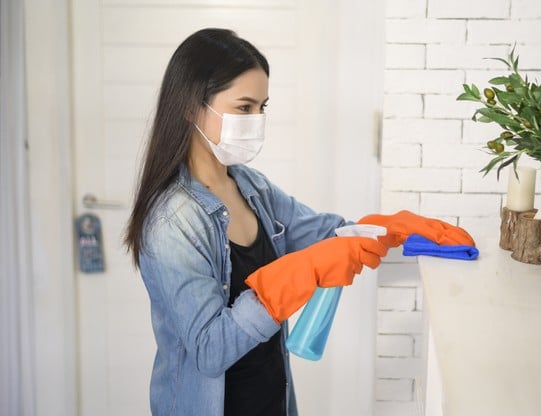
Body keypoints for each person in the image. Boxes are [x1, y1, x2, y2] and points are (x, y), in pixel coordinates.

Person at [124, 28, 474, 416]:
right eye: (244, 108)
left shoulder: (249, 185)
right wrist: (285, 284)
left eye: (263, 107)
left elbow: (323, 236)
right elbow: (209, 349)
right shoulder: (173, 220)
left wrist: (386, 229)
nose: (257, 119)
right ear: (192, 106)